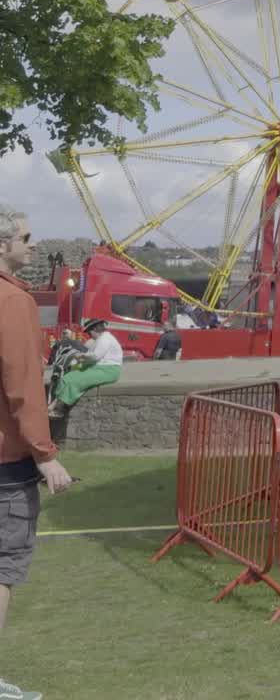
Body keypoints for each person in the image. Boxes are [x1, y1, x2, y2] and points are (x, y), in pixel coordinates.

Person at [0, 202, 72, 700]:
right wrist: (45, 454)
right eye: (24, 238)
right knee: (3, 568)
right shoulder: (13, 301)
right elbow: (23, 382)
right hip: (6, 463)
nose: (32, 244)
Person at [49, 319, 123, 418]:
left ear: (95, 329)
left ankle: (59, 409)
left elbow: (95, 356)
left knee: (74, 380)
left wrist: (79, 356)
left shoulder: (105, 339)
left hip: (109, 370)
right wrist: (76, 365)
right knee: (69, 376)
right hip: (100, 368)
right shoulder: (101, 339)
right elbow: (92, 357)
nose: (89, 335)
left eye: (89, 332)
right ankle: (54, 405)